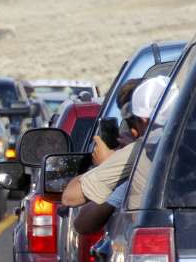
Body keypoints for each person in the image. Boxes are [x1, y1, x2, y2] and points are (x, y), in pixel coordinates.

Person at [62, 75, 168, 207]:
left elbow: (70, 197)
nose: (133, 132)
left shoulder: (139, 151)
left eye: (132, 122)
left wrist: (108, 161)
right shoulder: (191, 141)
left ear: (143, 118)